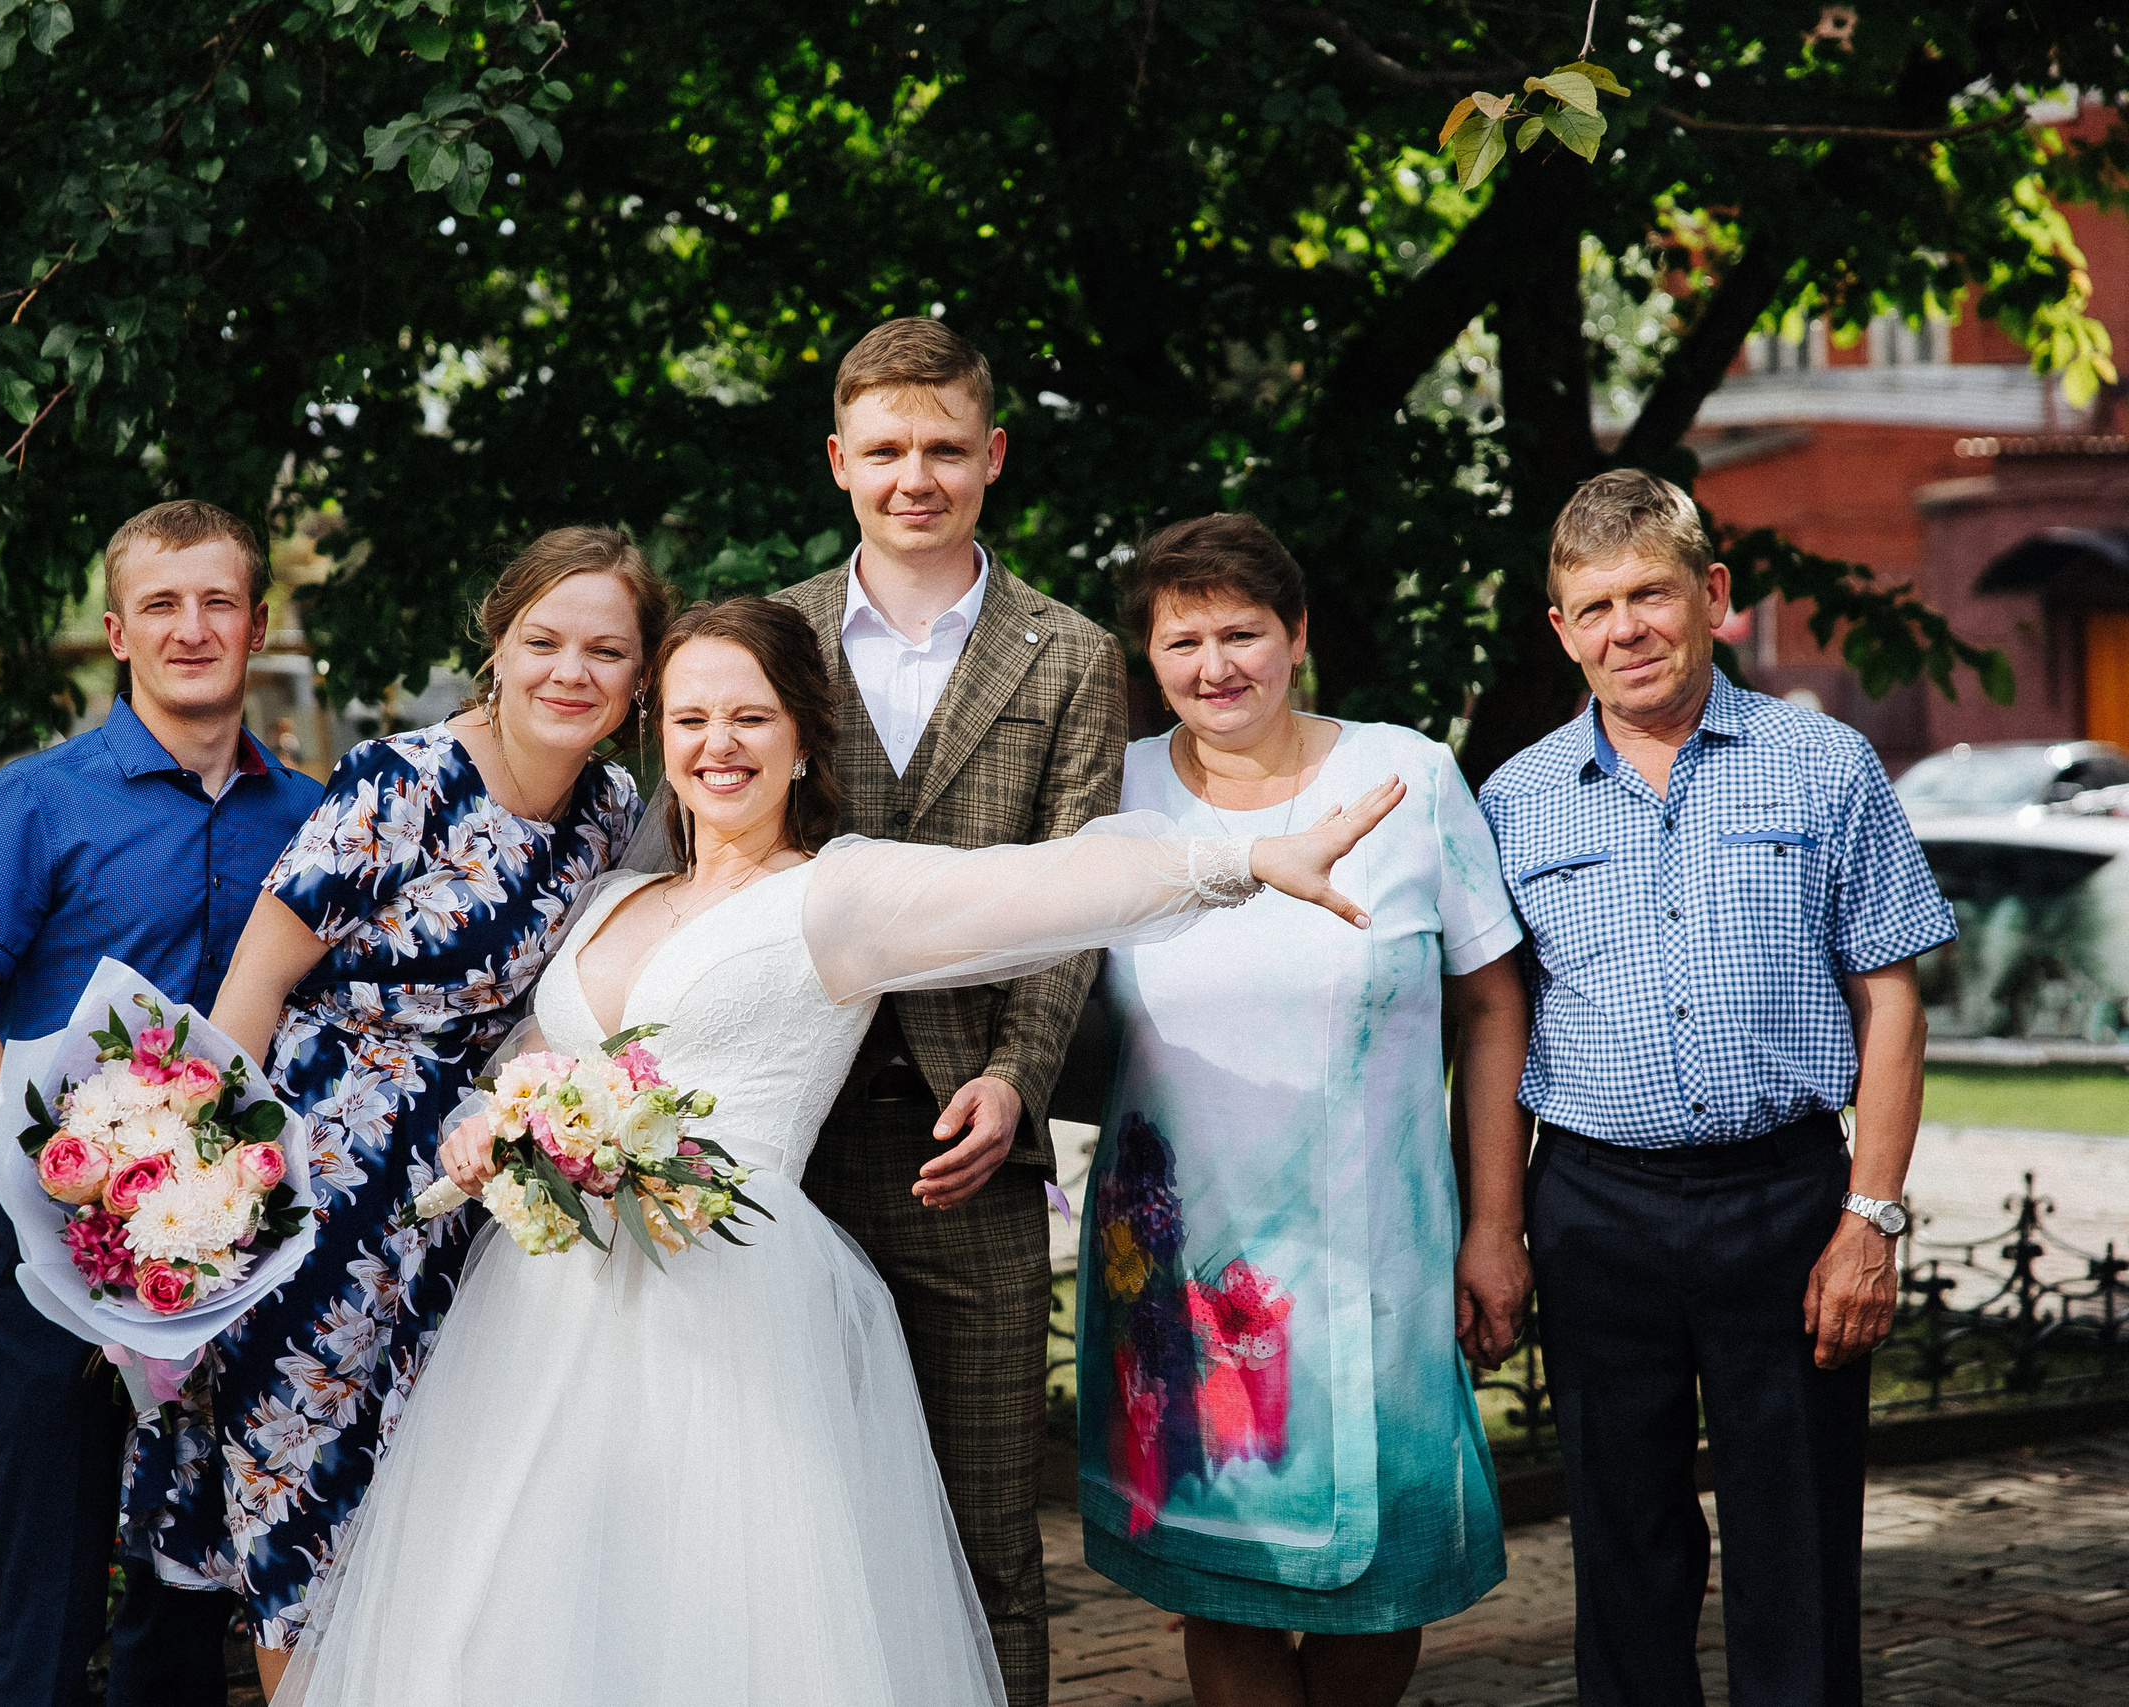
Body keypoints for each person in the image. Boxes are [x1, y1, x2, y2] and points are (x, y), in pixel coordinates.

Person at [269, 596, 1408, 1707]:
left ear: (805, 739)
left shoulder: (837, 894)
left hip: (725, 1307)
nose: (718, 746)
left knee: (716, 1617)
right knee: (517, 1608)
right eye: (690, 719)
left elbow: (1040, 886)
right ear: (657, 736)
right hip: (539, 1312)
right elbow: (531, 1054)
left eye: (751, 718)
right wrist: (491, 1121)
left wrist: (1246, 863)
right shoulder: (614, 891)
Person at [122, 527, 665, 1696]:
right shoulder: (401, 782)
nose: (571, 671)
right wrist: (213, 1201)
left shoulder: (613, 808)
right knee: (300, 1507)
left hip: (468, 1199)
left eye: (605, 651)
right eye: (545, 641)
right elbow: (254, 988)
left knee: (435, 1513)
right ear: (498, 646)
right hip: (318, 1179)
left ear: (638, 678)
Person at [1477, 470, 1952, 1707]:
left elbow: (1890, 1004)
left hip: (1784, 1203)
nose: (1625, 628)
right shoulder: (1513, 802)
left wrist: (1870, 1217)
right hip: (1592, 1206)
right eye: (1593, 607)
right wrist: (1493, 1229)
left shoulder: (1824, 764)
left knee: (1795, 1545)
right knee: (1622, 1548)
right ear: (1560, 631)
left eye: (1650, 594)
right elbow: (1492, 1029)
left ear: (1713, 595)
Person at [1076, 514, 1533, 1707]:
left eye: (1243, 632)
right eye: (1184, 640)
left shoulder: (1405, 777)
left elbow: (1489, 1005)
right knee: (1217, 1578)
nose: (1215, 665)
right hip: (1178, 1262)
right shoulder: (1114, 799)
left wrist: (1495, 1226)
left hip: (1375, 1252)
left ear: (1298, 636)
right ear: (1148, 655)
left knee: (1381, 1571)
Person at [0, 499, 324, 1707]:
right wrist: (58, 1195)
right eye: (161, 605)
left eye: (216, 604)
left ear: (256, 625)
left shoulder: (308, 820)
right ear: (116, 632)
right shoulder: (32, 803)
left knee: (188, 1573)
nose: (190, 628)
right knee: (51, 1556)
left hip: (235, 1254)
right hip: (60, 1246)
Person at [779, 318, 1126, 1706]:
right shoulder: (769, 640)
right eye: (883, 449)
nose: (912, 474)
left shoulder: (1073, 653)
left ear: (990, 454)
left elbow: (1075, 901)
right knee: (803, 1524)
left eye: (940, 447)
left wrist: (1013, 1081)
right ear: (838, 461)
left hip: (972, 1149)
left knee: (990, 1534)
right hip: (787, 1142)